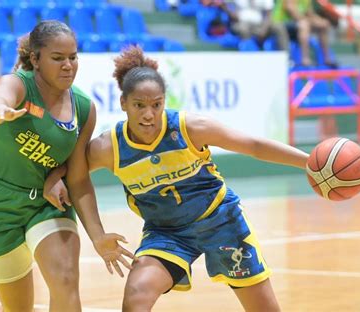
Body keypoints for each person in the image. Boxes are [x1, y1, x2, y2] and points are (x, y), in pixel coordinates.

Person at [46, 45, 309, 311]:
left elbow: (254, 145)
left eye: (156, 105)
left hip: (221, 221)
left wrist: (309, 163)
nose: (149, 114)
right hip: (166, 232)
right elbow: (75, 172)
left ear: (164, 101)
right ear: (123, 103)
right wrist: (55, 178)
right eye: (139, 105)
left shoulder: (190, 128)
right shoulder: (109, 147)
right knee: (137, 293)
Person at [0, 20, 134, 312]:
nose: (68, 66)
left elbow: (78, 177)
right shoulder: (19, 84)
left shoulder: (84, 107)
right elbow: (0, 96)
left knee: (65, 279)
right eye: (58, 58)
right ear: (35, 59)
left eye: (73, 57)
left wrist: (97, 236)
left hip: (46, 204)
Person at [273, 0, 336, 67]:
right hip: (280, 23)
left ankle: (327, 60)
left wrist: (319, 21)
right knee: (304, 25)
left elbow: (310, 14)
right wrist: (307, 20)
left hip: (298, 23)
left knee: (324, 25)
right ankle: (305, 60)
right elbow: (290, 9)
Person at [208, 0, 289, 51]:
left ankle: (285, 58)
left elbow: (269, 14)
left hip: (260, 24)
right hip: (240, 23)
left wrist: (264, 29)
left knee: (279, 27)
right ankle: (250, 56)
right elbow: (222, 3)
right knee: (243, 29)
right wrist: (231, 14)